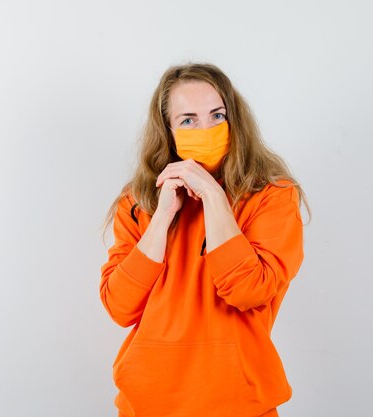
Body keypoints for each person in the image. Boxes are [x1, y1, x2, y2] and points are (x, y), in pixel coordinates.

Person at [99, 62, 312, 417]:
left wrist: (214, 198)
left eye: (217, 115)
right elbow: (120, 306)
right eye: (188, 120)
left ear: (234, 120)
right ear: (167, 131)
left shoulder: (271, 196)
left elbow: (250, 291)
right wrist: (164, 215)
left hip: (240, 404)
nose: (207, 128)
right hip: (146, 403)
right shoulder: (138, 203)